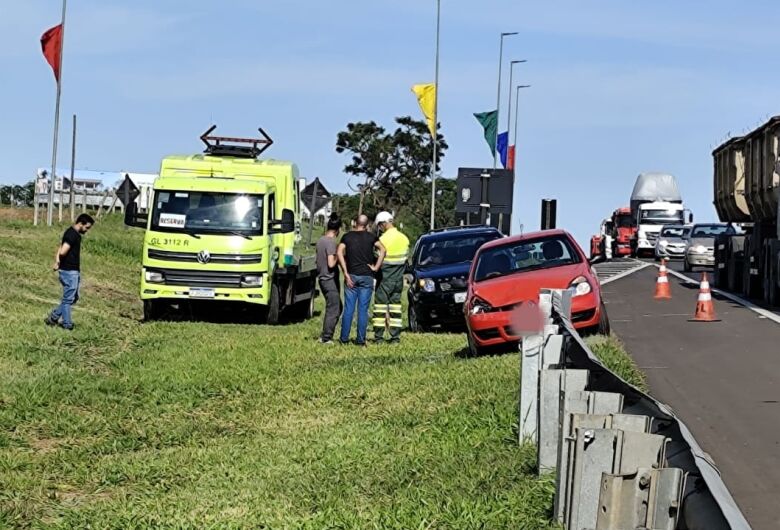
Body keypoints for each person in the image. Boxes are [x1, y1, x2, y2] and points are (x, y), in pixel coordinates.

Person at [337, 214, 386, 345]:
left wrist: (345, 272)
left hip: (351, 276)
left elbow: (339, 252)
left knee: (349, 309)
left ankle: (344, 339)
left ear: (355, 223)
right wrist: (376, 267)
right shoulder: (371, 237)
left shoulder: (347, 237)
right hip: (367, 276)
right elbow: (383, 249)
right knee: (363, 310)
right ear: (366, 225)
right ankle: (360, 340)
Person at [45, 213, 95, 330]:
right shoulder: (72, 235)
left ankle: (53, 317)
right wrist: (59, 259)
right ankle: (67, 324)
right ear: (81, 223)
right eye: (87, 227)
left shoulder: (72, 233)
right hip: (69, 271)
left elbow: (60, 247)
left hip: (72, 271)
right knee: (68, 300)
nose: (87, 230)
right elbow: (63, 251)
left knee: (73, 297)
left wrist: (57, 261)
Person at [372, 212, 410, 343]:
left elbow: (377, 259)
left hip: (384, 278)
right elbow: (405, 260)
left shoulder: (382, 240)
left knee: (380, 308)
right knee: (396, 308)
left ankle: (379, 337)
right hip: (398, 279)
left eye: (379, 226)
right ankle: (395, 337)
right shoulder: (404, 239)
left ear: (382, 224)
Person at [315, 213, 342, 344]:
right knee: (334, 308)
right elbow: (331, 263)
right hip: (329, 278)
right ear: (338, 230)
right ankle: (327, 337)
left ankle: (325, 333)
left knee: (336, 306)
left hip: (321, 278)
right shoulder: (331, 243)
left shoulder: (321, 240)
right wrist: (339, 255)